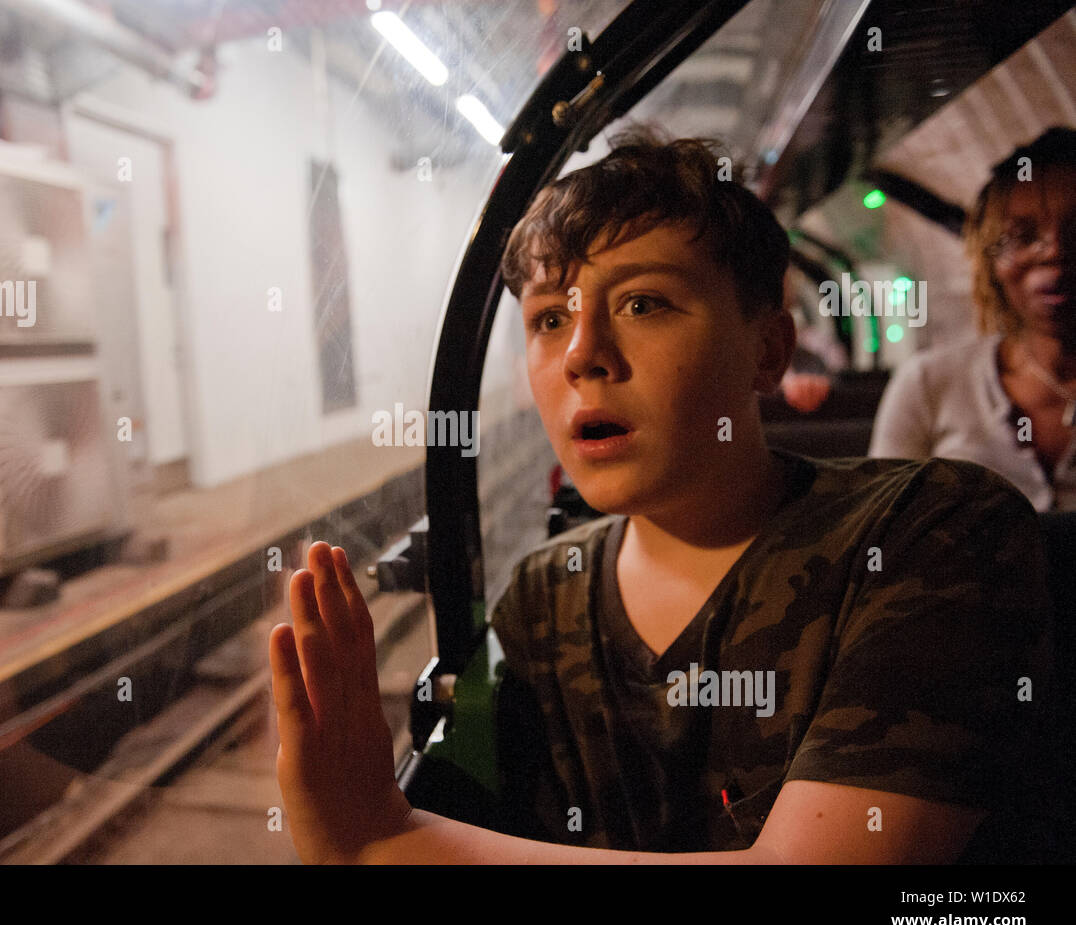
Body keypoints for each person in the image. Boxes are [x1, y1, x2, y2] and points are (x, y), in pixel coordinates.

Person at [267, 128, 1055, 864]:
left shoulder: (936, 532)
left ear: (768, 349)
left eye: (643, 303)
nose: (582, 355)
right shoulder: (542, 597)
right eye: (549, 318)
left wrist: (385, 842)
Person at [869, 128, 1076, 511]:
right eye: (1023, 236)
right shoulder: (928, 384)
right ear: (990, 259)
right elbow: (881, 526)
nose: (1054, 252)